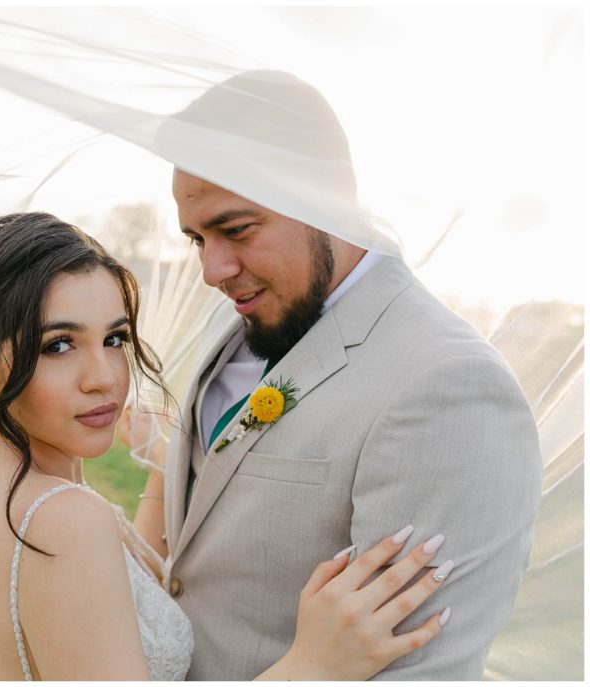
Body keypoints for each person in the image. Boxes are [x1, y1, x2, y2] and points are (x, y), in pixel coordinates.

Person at [0, 211, 451, 680]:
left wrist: (160, 471)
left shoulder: (2, 473)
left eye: (114, 337)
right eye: (58, 346)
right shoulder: (61, 518)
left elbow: (105, 603)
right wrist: (315, 664)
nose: (103, 376)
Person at [125, 71, 543, 680]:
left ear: (328, 194)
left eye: (237, 230)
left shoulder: (449, 387)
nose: (212, 269)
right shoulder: (241, 311)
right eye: (196, 239)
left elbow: (418, 670)